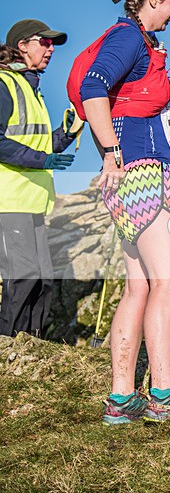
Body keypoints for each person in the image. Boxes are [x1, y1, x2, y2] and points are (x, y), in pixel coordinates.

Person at [75, 0, 170, 425]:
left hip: (129, 176)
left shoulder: (134, 39)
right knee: (169, 282)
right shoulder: (129, 38)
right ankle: (162, 392)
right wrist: (113, 153)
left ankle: (122, 399)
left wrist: (111, 156)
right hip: (146, 171)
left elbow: (101, 95)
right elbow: (92, 86)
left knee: (139, 285)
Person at [0, 19, 79, 338]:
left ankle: (31, 346)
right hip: (9, 199)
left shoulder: (33, 91)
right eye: (44, 42)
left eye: (53, 45)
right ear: (22, 45)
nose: (51, 49)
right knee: (23, 275)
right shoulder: (4, 84)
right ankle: (6, 345)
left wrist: (68, 131)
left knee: (43, 278)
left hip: (33, 201)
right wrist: (43, 158)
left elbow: (43, 145)